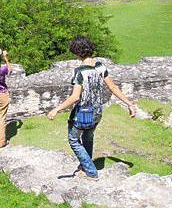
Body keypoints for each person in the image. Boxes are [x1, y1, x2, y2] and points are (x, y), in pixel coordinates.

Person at [47, 36, 136, 179]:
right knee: (88, 138)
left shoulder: (80, 72)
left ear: (76, 53)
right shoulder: (101, 66)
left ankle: (91, 171)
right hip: (98, 111)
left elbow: (75, 97)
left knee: (74, 140)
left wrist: (56, 109)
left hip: (84, 112)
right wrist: (129, 103)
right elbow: (112, 87)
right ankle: (85, 166)